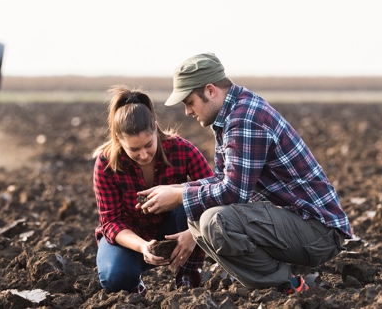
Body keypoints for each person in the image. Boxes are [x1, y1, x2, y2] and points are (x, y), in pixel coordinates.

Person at [139, 53, 352, 294]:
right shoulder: (230, 114)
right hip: (297, 223)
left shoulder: (244, 120)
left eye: (189, 102)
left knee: (214, 221)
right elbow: (223, 179)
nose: (187, 112)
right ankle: (274, 278)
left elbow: (233, 192)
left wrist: (179, 196)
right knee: (199, 214)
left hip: (319, 232)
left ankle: (289, 286)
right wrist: (177, 190)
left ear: (210, 91)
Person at [92, 85, 213, 293]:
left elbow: (215, 191)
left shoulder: (181, 150)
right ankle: (134, 285)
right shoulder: (106, 164)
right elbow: (111, 221)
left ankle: (187, 278)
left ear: (155, 128)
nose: (144, 155)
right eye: (134, 149)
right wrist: (142, 247)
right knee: (115, 277)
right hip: (130, 237)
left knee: (192, 199)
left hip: (174, 228)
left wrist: (194, 234)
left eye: (148, 144)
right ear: (118, 140)